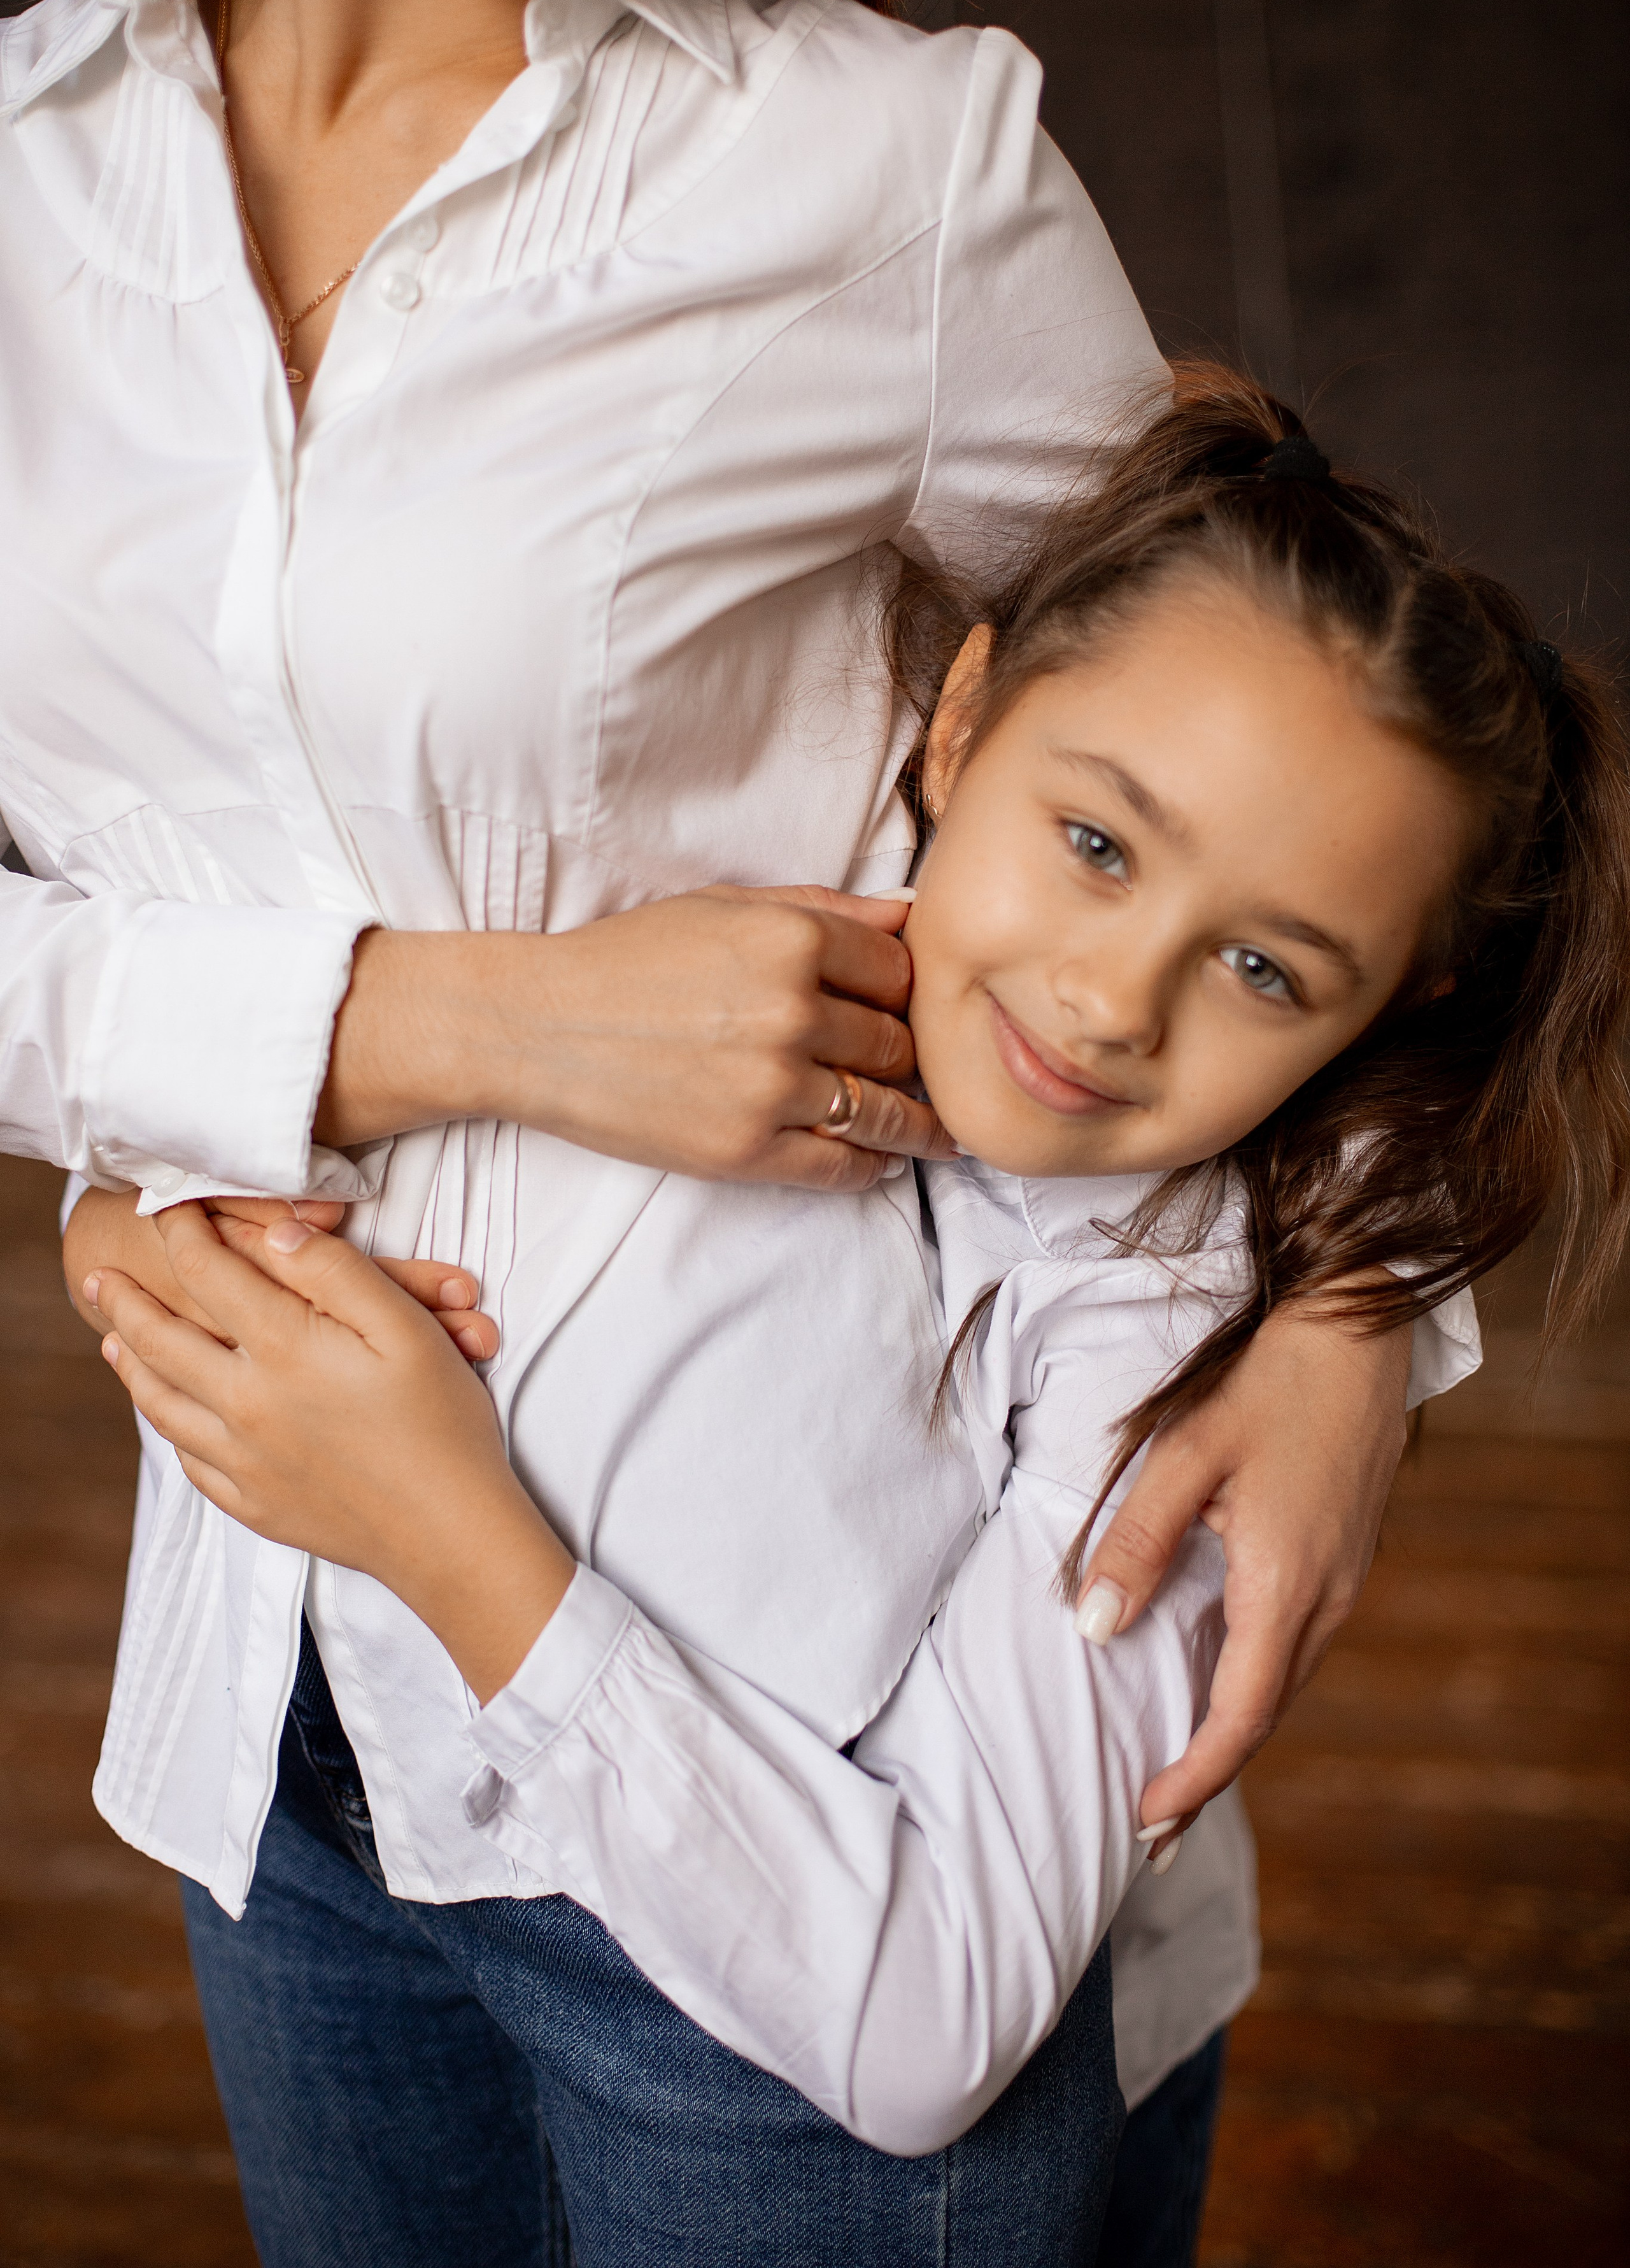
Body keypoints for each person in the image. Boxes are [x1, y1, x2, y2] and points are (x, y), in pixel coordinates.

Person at [0, 0, 1491, 2245]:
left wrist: (1344, 1315)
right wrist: (403, 1040)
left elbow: (1256, 726)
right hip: (275, 1675)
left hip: (826, 1697)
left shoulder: (882, 169)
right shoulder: (15, 168)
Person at [78, 373, 1630, 2259]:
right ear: (961, 719)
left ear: (1387, 1002)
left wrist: (441, 1528)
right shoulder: (692, 837)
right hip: (314, 1818)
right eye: (1099, 844)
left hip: (770, 2066)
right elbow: (260, 960)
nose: (1114, 1001)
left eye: (1259, 965)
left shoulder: (1170, 1340)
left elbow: (922, 2035)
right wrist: (130, 1196)